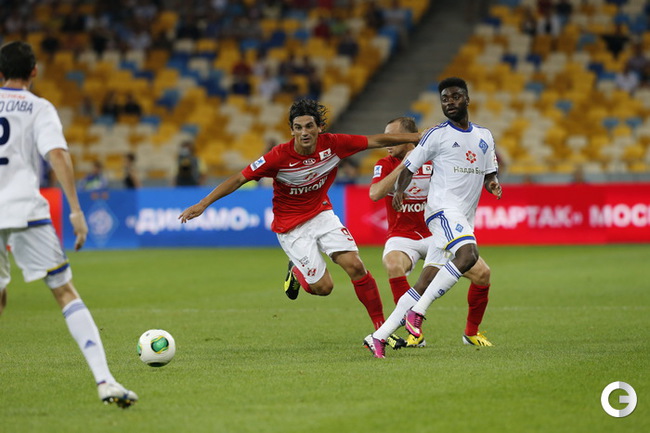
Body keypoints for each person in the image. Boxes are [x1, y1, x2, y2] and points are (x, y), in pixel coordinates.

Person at [179, 99, 420, 330]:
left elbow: (376, 140)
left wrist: (417, 137)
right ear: (292, 131)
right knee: (324, 288)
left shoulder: (334, 144)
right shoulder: (278, 156)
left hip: (321, 214)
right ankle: (297, 271)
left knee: (355, 266)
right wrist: (203, 203)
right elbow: (239, 178)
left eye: (309, 126)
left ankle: (380, 328)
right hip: (291, 226)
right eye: (298, 127)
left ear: (319, 127)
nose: (304, 132)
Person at [0, 41, 137, 406]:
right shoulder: (39, 107)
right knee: (63, 291)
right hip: (25, 210)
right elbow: (57, 154)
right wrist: (76, 210)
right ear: (34, 72)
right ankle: (105, 381)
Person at [365, 77, 502, 358]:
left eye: (455, 97)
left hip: (463, 214)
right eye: (444, 99)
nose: (449, 102)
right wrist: (400, 190)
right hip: (442, 211)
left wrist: (492, 184)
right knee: (468, 255)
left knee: (425, 281)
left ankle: (378, 337)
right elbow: (409, 167)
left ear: (467, 99)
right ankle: (417, 312)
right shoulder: (436, 135)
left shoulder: (484, 136)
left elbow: (489, 172)